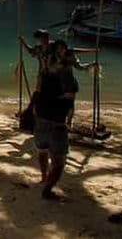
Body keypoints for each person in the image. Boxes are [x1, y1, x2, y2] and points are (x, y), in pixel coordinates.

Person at [33, 39, 84, 200]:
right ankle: (47, 190)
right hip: (56, 123)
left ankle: (43, 177)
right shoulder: (67, 77)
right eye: (74, 58)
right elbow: (69, 101)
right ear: (67, 59)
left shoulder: (45, 73)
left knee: (42, 150)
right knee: (59, 163)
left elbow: (38, 94)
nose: (76, 60)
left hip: (41, 118)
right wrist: (68, 120)